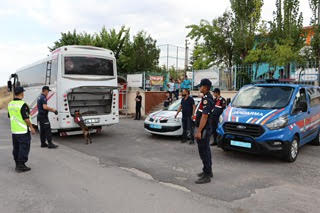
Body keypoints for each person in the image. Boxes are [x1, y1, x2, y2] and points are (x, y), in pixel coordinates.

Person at [8, 86, 36, 172]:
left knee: (16, 148)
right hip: (23, 131)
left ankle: (17, 164)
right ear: (21, 93)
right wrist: (31, 127)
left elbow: (10, 116)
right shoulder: (23, 104)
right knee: (24, 148)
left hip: (14, 131)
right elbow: (26, 118)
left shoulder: (10, 104)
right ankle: (21, 165)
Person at [194, 79, 214, 184]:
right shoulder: (206, 97)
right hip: (205, 128)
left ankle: (207, 175)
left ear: (205, 87)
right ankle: (208, 171)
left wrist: (199, 131)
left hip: (204, 129)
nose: (199, 88)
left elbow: (205, 116)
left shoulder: (207, 99)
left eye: (200, 86)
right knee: (206, 150)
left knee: (204, 151)